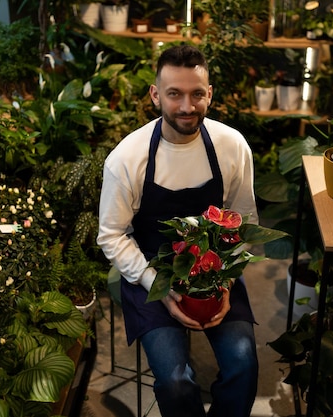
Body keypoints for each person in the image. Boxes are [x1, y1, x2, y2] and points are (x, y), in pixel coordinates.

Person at [97, 44, 259, 417]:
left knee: (244, 367)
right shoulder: (127, 158)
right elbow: (111, 234)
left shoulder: (232, 146)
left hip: (216, 270)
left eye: (196, 94)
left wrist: (227, 283)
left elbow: (244, 219)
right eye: (174, 94)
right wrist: (160, 285)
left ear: (209, 94)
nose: (187, 106)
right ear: (155, 94)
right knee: (175, 381)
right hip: (152, 271)